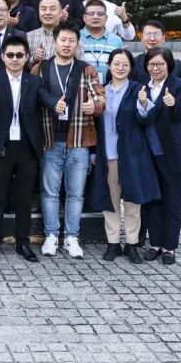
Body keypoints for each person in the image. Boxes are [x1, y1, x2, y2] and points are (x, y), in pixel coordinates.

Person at [31, 24, 106, 259]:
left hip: (79, 140)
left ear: (77, 44)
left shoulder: (86, 69)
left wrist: (95, 106)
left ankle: (72, 236)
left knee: (76, 193)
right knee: (49, 192)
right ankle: (51, 235)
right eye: (62, 40)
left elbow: (100, 96)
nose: (66, 44)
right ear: (54, 41)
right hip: (50, 140)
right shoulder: (40, 68)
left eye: (71, 40)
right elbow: (31, 99)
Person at [89, 48, 160, 264]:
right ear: (109, 66)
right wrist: (93, 151)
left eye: (125, 64)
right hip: (107, 154)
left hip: (132, 155)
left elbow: (146, 119)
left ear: (131, 68)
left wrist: (144, 103)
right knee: (110, 201)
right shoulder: (100, 91)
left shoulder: (139, 89)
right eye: (116, 64)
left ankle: (131, 243)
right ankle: (113, 243)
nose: (120, 68)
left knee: (133, 202)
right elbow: (93, 124)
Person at [0, 36, 43, 262]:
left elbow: (45, 102)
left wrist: (58, 105)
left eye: (19, 55)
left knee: (24, 199)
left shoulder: (34, 81)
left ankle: (23, 243)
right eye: (10, 55)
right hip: (1, 145)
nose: (15, 59)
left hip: (27, 146)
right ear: (2, 57)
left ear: (26, 57)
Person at [142, 47, 181, 266]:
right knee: (153, 201)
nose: (155, 68)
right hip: (150, 153)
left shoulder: (180, 86)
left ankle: (169, 247)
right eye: (151, 64)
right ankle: (155, 243)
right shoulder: (143, 88)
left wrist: (174, 105)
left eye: (160, 64)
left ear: (169, 65)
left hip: (174, 154)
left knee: (173, 202)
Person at [80, 0, 124, 83]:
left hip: (110, 87)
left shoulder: (116, 40)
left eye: (100, 14)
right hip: (82, 87)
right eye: (91, 14)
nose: (95, 17)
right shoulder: (76, 38)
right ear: (84, 17)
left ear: (106, 18)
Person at [27, 0, 63, 67]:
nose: (47, 13)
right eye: (43, 9)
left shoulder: (71, 36)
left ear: (61, 13)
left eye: (52, 9)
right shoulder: (28, 36)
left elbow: (81, 65)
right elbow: (21, 66)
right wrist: (33, 59)